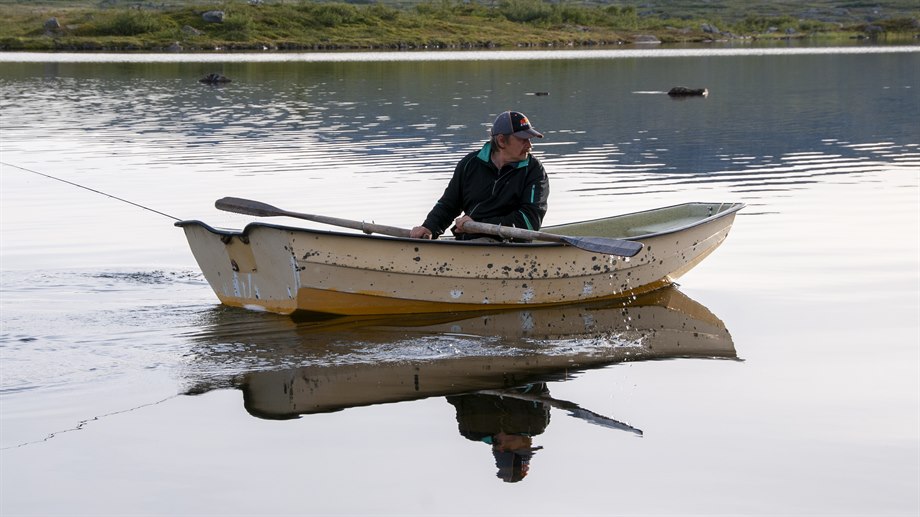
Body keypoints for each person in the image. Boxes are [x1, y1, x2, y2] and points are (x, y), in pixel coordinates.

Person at [409, 110, 549, 241]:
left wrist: (479, 225)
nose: (529, 145)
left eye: (530, 139)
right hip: (468, 242)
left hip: (511, 246)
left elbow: (530, 221)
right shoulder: (469, 163)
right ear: (501, 141)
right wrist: (429, 227)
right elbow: (449, 205)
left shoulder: (534, 170)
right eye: (523, 139)